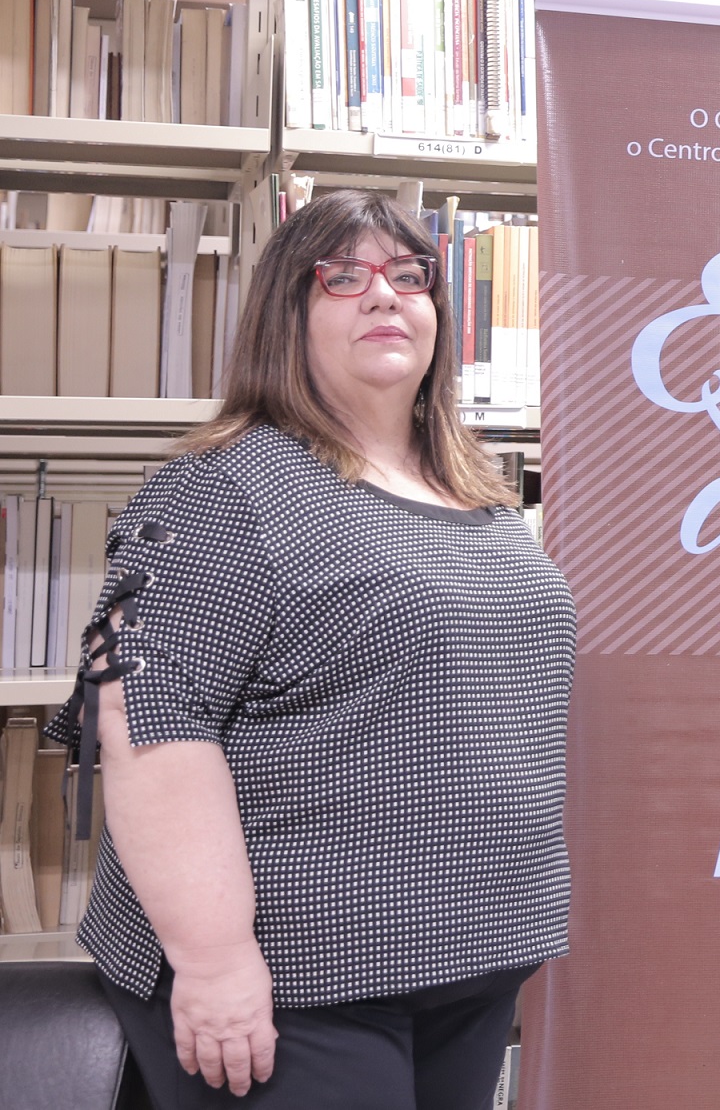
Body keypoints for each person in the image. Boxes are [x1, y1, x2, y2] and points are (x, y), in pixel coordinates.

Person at [45, 188, 577, 1107]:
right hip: (299, 981)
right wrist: (213, 964)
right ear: (284, 313)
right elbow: (145, 718)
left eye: (409, 277)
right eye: (345, 276)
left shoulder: (475, 486)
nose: (385, 295)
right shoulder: (225, 488)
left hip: (470, 958)